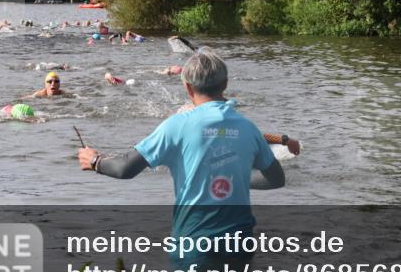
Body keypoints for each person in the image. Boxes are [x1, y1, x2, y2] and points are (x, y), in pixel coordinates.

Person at [76, 49, 286, 251]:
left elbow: (125, 169)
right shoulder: (248, 128)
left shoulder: (176, 125)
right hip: (240, 242)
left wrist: (95, 161)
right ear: (225, 84)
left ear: (187, 88)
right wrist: (234, 179)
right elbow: (277, 179)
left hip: (195, 242)